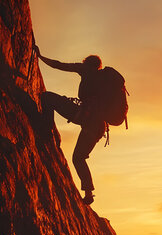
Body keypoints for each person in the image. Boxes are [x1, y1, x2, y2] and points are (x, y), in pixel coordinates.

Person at [34, 45, 108, 205]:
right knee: (79, 158)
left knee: (47, 97)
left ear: (87, 63)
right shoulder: (103, 80)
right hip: (98, 126)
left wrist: (40, 57)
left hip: (83, 117)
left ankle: (45, 133)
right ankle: (88, 193)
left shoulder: (85, 69)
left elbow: (59, 65)